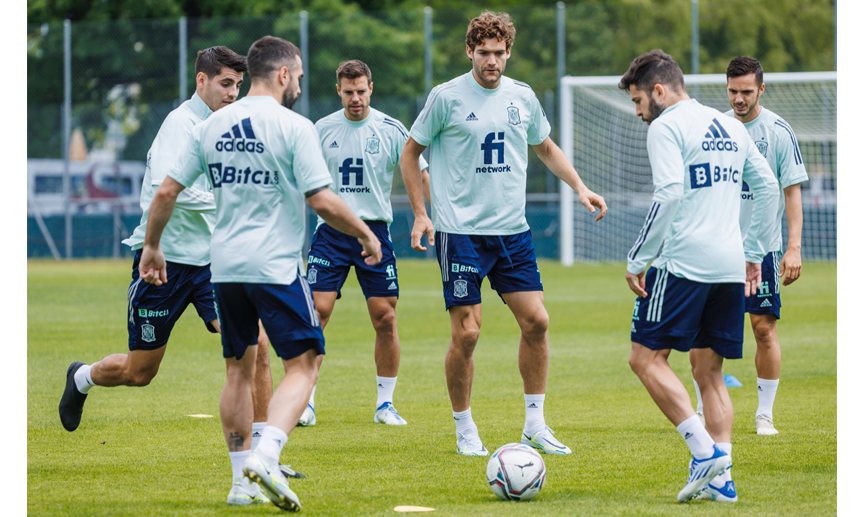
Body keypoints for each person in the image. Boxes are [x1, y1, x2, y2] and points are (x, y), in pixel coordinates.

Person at [138, 35, 382, 512]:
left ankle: (239, 481)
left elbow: (165, 193)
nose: (299, 87)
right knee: (307, 362)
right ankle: (267, 457)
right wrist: (365, 235)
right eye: (300, 78)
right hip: (274, 266)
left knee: (237, 370)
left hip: (224, 268)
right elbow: (322, 200)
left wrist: (151, 247)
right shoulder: (294, 126)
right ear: (285, 74)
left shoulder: (209, 126)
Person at [400, 11, 607, 457]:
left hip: (513, 231)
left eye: (499, 53)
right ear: (469, 52)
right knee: (468, 334)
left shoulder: (523, 97)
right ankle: (464, 427)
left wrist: (581, 187)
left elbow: (546, 148)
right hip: (461, 233)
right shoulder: (446, 97)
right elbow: (411, 152)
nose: (492, 61)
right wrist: (421, 213)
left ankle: (535, 424)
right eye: (484, 53)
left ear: (509, 52)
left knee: (538, 321)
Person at [619, 50, 779, 503]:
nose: (637, 112)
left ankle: (703, 450)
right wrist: (753, 254)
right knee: (708, 372)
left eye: (637, 101)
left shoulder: (667, 126)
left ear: (659, 90)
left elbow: (668, 193)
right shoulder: (730, 124)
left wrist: (637, 259)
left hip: (684, 263)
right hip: (730, 266)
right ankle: (722, 482)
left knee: (645, 358)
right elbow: (766, 186)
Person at [297, 60, 431, 427]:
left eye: (361, 91)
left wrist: (427, 214)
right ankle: (305, 401)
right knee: (317, 313)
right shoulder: (320, 130)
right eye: (348, 91)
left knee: (385, 317)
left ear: (372, 87)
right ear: (338, 90)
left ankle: (385, 404)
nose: (355, 98)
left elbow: (418, 171)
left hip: (375, 232)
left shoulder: (390, 129)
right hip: (331, 232)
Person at [691, 56, 808, 437]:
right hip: (719, 247)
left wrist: (793, 247)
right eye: (732, 91)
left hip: (764, 250)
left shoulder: (777, 131)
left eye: (746, 92)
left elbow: (791, 192)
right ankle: (702, 406)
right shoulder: (717, 128)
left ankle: (764, 415)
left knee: (762, 329)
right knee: (706, 330)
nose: (738, 99)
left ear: (761, 88)